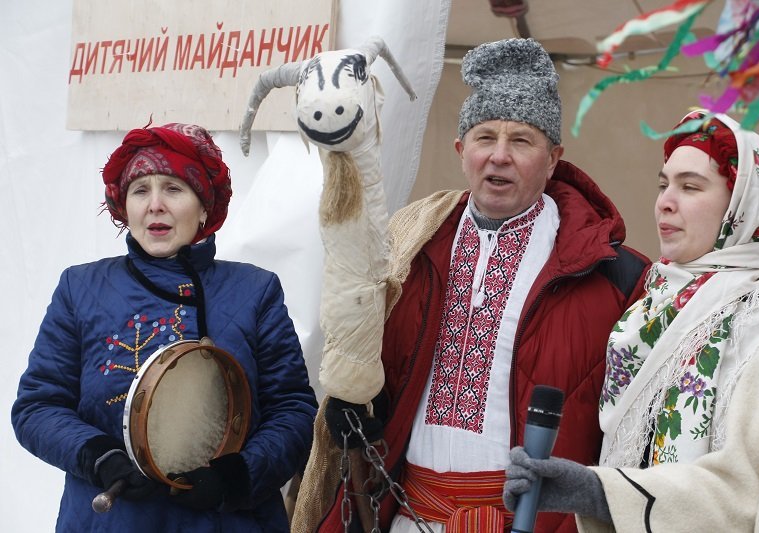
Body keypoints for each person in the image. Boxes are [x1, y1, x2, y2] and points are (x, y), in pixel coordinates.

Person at [296, 38, 650, 533]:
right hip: (409, 513)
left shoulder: (616, 276)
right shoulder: (408, 247)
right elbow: (369, 356)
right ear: (462, 150)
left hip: (531, 523)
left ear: (553, 159)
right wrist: (352, 405)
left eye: (521, 141)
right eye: (485, 138)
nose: (498, 157)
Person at [11, 123, 318, 532]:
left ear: (204, 206)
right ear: (125, 208)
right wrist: (97, 455)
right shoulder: (80, 288)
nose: (155, 204)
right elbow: (37, 406)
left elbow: (294, 410)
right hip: (112, 521)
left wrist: (237, 476)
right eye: (141, 191)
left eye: (173, 189)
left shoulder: (255, 291)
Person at [503, 111, 759, 531]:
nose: (665, 200)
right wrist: (589, 489)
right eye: (663, 184)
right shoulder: (653, 304)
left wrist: (600, 491)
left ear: (743, 206)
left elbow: (758, 488)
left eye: (690, 187)